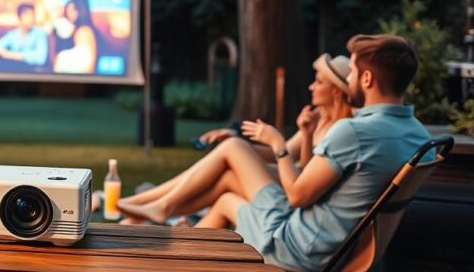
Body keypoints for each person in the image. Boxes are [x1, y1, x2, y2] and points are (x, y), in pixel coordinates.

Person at [148, 34, 431, 272]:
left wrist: (279, 145)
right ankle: (170, 236)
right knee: (227, 193)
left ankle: (174, 258)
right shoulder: (419, 135)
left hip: (303, 248)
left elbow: (297, 196)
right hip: (346, 249)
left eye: (353, 73)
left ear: (367, 78)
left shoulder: (354, 132)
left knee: (231, 169)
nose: (351, 79)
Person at [119, 54, 353, 225]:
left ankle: (151, 204)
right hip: (287, 180)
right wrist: (247, 144)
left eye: (319, 82)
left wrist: (291, 139)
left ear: (335, 91)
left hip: (293, 192)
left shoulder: (340, 131)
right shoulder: (318, 118)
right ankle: (150, 208)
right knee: (230, 164)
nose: (311, 86)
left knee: (233, 150)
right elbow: (277, 154)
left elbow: (302, 174)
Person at [53, 0, 98, 74]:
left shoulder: (85, 30)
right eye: (68, 10)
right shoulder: (64, 26)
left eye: (74, 9)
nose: (70, 13)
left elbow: (89, 62)